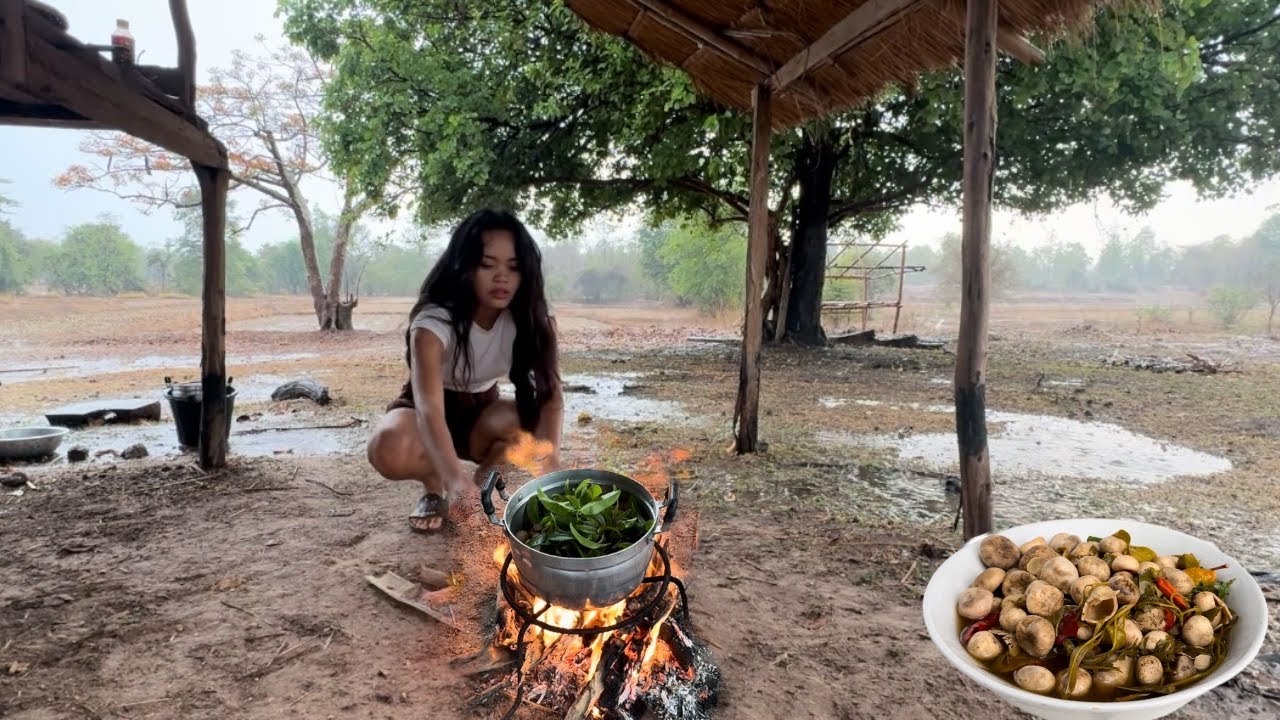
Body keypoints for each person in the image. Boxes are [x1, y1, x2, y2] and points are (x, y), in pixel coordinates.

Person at [366, 209, 563, 532]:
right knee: (387, 446)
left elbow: (551, 400)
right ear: (464, 266)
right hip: (423, 410)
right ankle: (434, 487)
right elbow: (429, 409)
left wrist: (551, 465)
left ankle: (481, 489)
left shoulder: (535, 321)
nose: (502, 277)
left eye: (513, 267)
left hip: (483, 409)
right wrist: (452, 478)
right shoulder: (432, 323)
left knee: (529, 434)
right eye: (488, 264)